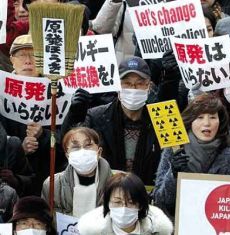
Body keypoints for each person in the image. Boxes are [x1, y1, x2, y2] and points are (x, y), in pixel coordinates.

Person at [61, 56, 161, 186]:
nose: (133, 88)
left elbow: (171, 157)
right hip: (105, 191)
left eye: (140, 83)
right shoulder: (97, 116)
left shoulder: (161, 118)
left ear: (149, 86)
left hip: (146, 193)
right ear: (117, 85)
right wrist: (74, 115)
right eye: (127, 83)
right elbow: (69, 144)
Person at [0, 34, 67, 196]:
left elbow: (67, 141)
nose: (28, 61)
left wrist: (44, 135)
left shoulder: (58, 91)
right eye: (22, 55)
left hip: (49, 181)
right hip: (13, 184)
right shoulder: (1, 91)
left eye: (34, 55)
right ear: (12, 59)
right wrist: (17, 150)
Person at [154, 93, 230, 217]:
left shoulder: (229, 155)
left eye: (212, 117)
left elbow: (227, 202)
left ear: (220, 121)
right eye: (200, 117)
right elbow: (161, 200)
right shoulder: (173, 148)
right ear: (191, 120)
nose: (207, 123)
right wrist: (173, 175)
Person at [42, 127, 112, 217]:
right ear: (67, 155)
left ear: (99, 152)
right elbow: (47, 219)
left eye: (88, 145)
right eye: (75, 147)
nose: (82, 151)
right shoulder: (53, 184)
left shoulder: (117, 183)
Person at [77, 172, 173, 235]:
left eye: (131, 202)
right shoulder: (92, 231)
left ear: (141, 205)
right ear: (107, 204)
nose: (124, 208)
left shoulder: (158, 231)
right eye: (117, 202)